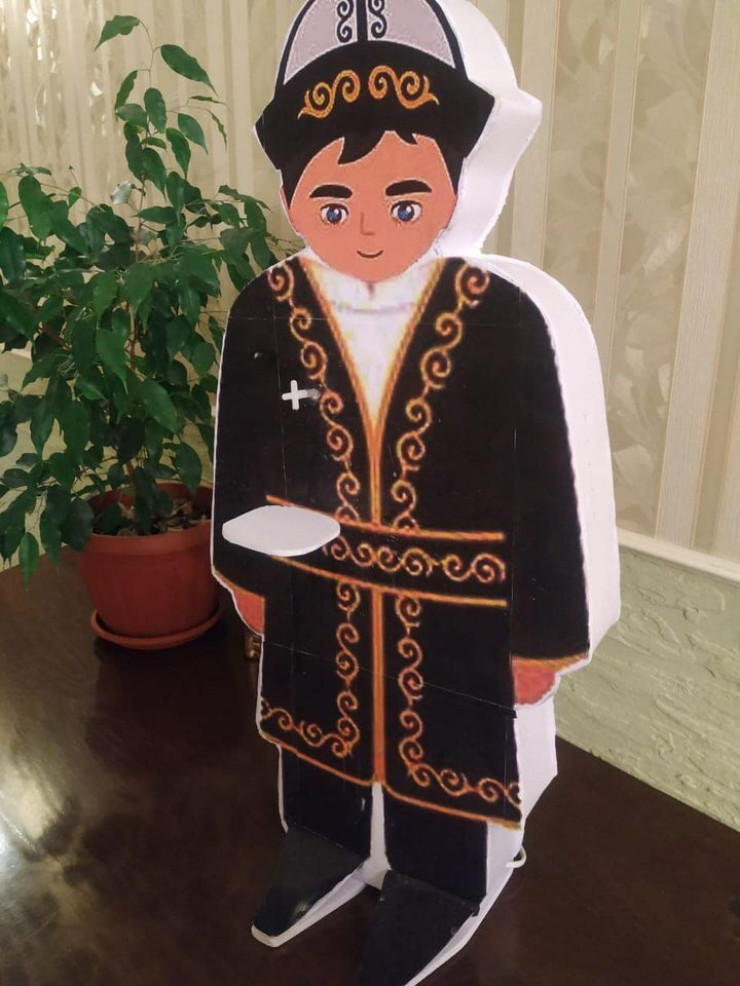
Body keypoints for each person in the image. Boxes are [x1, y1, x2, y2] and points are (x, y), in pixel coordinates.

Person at [212, 2, 620, 984]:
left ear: (458, 185)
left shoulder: (506, 317)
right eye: (332, 201)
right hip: (312, 586)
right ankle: (323, 841)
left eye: (402, 202)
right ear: (291, 194)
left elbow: (549, 490)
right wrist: (242, 571)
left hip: (458, 608)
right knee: (316, 737)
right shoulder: (267, 308)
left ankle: (446, 879)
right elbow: (242, 453)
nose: (364, 227)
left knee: (451, 758)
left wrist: (544, 637)